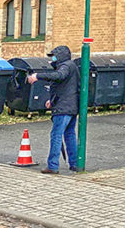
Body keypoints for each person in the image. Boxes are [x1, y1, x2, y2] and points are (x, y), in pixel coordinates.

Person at [26, 45, 79, 174]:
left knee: (56, 135)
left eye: (54, 56)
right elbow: (65, 87)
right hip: (70, 106)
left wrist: (38, 76)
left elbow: (59, 76)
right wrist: (52, 100)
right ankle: (74, 163)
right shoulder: (70, 66)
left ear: (60, 56)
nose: (52, 59)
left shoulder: (65, 66)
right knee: (69, 135)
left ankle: (53, 165)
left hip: (63, 108)